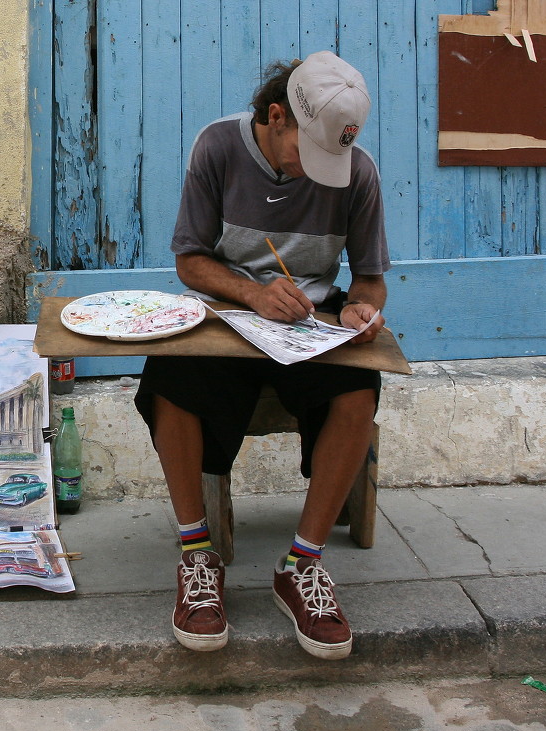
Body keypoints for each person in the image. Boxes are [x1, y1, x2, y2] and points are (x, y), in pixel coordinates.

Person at [135, 51, 390, 660]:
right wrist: (251, 291)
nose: (322, 173)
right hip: (229, 318)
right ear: (277, 117)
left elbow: (371, 279)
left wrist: (361, 309)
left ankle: (301, 564)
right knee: (167, 377)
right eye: (310, 153)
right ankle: (197, 555)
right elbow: (191, 260)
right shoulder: (218, 149)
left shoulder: (358, 173)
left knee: (359, 392)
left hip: (310, 325)